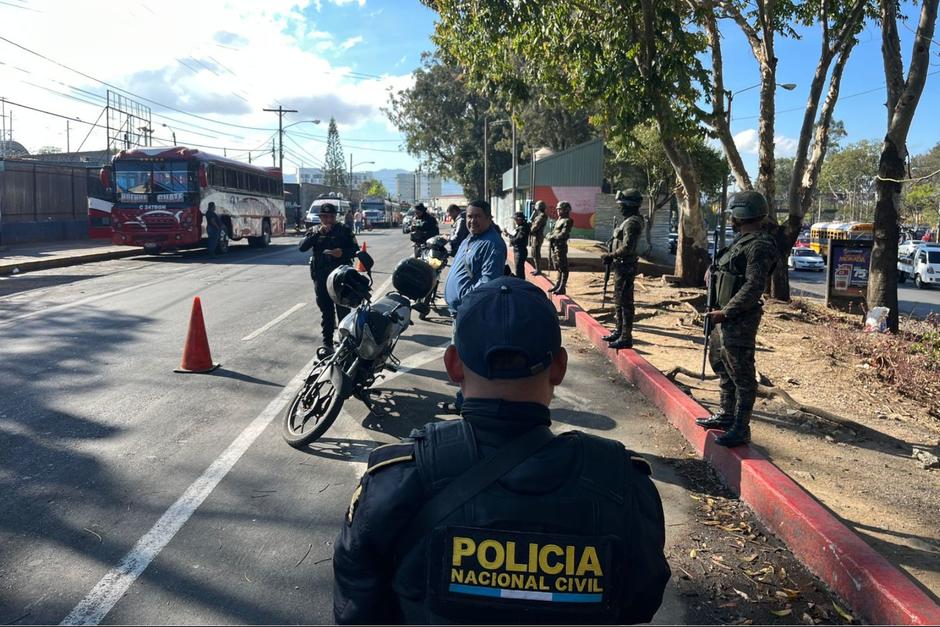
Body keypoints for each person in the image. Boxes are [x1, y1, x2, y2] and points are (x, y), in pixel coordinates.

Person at [332, 277, 671, 625]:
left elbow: (357, 608)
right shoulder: (624, 487)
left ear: (453, 365)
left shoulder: (396, 481)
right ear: (558, 367)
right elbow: (640, 603)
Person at [695, 191, 777, 447]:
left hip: (738, 319)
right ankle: (727, 414)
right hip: (724, 317)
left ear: (741, 215)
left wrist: (727, 312)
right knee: (721, 365)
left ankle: (741, 428)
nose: (731, 219)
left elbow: (753, 286)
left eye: (733, 214)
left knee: (741, 374)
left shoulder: (759, 245)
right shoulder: (741, 241)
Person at [298, 202, 360, 354]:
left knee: (343, 310)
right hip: (321, 276)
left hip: (341, 276)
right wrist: (318, 233)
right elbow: (302, 247)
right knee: (326, 311)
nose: (327, 220)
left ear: (335, 217)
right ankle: (327, 344)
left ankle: (345, 343)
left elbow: (355, 249)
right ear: (320, 218)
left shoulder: (344, 230)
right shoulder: (314, 231)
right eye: (324, 217)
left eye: (330, 217)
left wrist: (342, 253)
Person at [444, 199, 508, 316]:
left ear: (489, 218)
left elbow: (489, 282)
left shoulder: (492, 244)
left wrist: (465, 298)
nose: (472, 221)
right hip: (459, 311)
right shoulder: (470, 237)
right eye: (469, 216)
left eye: (478, 216)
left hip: (469, 313)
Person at [601, 190, 644, 349]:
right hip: (621, 266)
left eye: (622, 205)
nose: (620, 209)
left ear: (630, 205)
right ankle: (619, 331)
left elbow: (628, 247)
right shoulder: (628, 221)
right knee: (618, 300)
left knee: (625, 302)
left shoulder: (632, 223)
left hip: (626, 266)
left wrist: (611, 255)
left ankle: (626, 336)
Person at [547, 201, 574, 295]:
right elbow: (554, 232)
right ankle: (557, 284)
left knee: (563, 267)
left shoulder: (568, 220)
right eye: (558, 209)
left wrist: (552, 236)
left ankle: (562, 287)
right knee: (558, 266)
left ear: (566, 210)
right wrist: (549, 235)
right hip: (554, 246)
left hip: (561, 246)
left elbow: (564, 233)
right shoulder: (558, 220)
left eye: (560, 209)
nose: (558, 211)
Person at [508, 211, 530, 279]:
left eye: (515, 219)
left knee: (519, 270)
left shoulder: (523, 228)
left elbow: (518, 240)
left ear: (520, 219)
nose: (515, 221)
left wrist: (510, 237)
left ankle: (521, 285)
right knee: (518, 269)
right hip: (517, 250)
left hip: (520, 251)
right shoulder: (520, 226)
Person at [529, 200, 548, 275]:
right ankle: (537, 269)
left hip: (537, 237)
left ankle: (538, 270)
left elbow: (534, 228)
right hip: (536, 237)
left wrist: (529, 229)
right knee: (534, 253)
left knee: (536, 253)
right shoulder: (539, 216)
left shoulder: (541, 217)